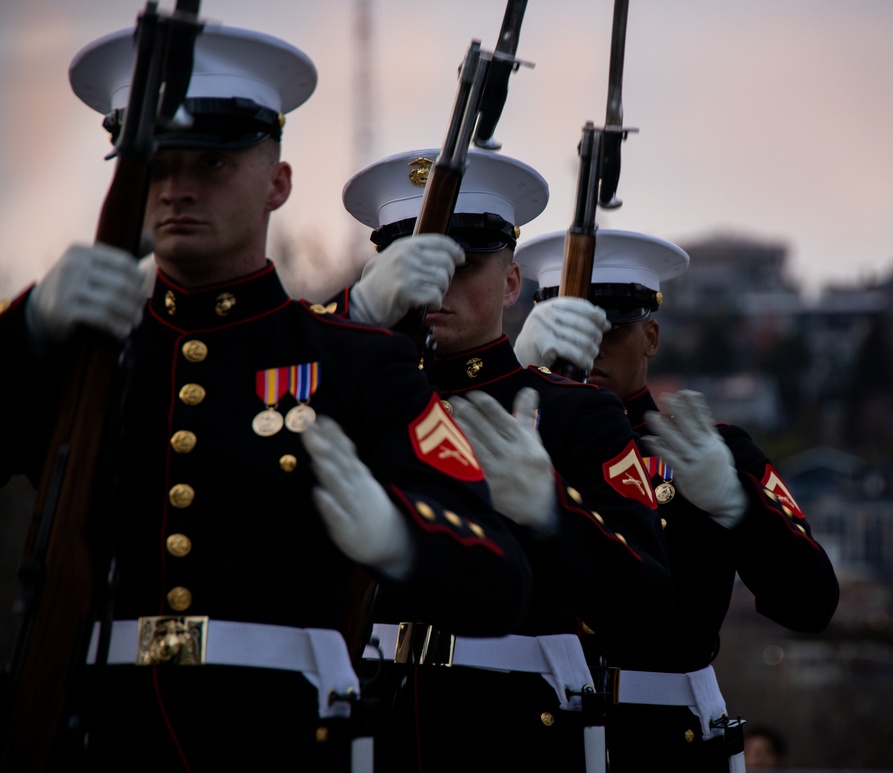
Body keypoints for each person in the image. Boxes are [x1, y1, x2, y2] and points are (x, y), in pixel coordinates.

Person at [0, 23, 533, 770]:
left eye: (213, 162)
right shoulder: (88, 354)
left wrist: (397, 534)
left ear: (277, 182)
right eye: (157, 164)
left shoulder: (354, 362)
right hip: (103, 729)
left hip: (280, 733)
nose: (179, 187)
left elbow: (498, 573)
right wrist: (23, 331)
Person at [338, 150, 675, 771]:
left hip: (513, 726)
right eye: (411, 263)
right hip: (366, 714)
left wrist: (553, 511)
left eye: (464, 264)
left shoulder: (575, 414)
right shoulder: (347, 392)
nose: (436, 285)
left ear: (513, 282)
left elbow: (649, 607)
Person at [515, 229, 840, 772]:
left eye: (611, 329)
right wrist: (520, 388)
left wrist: (738, 507)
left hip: (664, 736)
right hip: (533, 728)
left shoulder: (710, 450)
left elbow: (812, 603)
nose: (588, 348)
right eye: (571, 329)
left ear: (651, 336)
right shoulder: (509, 438)